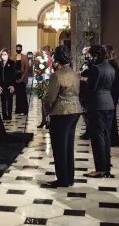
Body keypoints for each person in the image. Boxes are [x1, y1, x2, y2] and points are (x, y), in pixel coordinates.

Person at [42, 45, 82, 188]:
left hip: (60, 113)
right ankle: (69, 178)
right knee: (68, 146)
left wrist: (47, 113)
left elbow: (48, 98)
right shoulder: (74, 73)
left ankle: (62, 180)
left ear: (56, 59)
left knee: (59, 148)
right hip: (75, 112)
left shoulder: (57, 75)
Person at [84, 45, 115, 178]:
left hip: (97, 104)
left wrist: (85, 81)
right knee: (106, 136)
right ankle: (106, 168)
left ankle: (100, 169)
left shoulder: (96, 68)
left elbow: (92, 87)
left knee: (98, 137)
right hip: (109, 103)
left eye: (91, 55)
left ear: (95, 55)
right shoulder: (111, 67)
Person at [105, 45, 119, 147]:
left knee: (111, 116)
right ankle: (112, 139)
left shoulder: (111, 64)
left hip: (112, 92)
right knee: (111, 115)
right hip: (113, 92)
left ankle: (112, 139)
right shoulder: (113, 63)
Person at [0, 48, 16, 122]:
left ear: (8, 55)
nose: (3, 56)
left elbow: (14, 75)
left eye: (5, 54)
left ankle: (9, 115)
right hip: (2, 85)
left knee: (10, 101)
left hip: (9, 85)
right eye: (2, 54)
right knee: (3, 101)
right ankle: (4, 115)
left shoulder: (12, 63)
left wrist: (13, 85)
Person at [38, 45, 52, 129]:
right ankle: (43, 120)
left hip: (48, 83)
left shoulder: (51, 61)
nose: (43, 53)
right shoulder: (41, 61)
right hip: (42, 83)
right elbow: (39, 72)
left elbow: (51, 73)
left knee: (48, 104)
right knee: (42, 103)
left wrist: (43, 78)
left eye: (45, 51)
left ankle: (49, 121)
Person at [79, 46, 92, 140]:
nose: (85, 56)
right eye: (83, 54)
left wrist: (83, 78)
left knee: (88, 112)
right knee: (84, 111)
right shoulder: (84, 63)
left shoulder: (92, 64)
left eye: (86, 54)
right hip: (82, 89)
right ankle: (88, 130)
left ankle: (89, 131)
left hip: (88, 90)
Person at [12, 44, 29, 115]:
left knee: (23, 94)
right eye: (17, 48)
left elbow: (26, 69)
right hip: (16, 77)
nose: (18, 49)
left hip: (23, 77)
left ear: (21, 49)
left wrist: (22, 78)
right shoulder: (13, 57)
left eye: (19, 48)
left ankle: (24, 110)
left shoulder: (24, 57)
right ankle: (18, 110)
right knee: (18, 94)